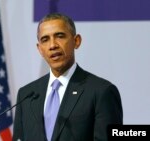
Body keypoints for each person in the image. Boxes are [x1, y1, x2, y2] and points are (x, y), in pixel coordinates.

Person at [12, 13, 123, 141]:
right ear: (40, 49)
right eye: (45, 39)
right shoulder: (26, 95)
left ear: (76, 41)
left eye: (59, 36)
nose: (53, 45)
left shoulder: (101, 91)